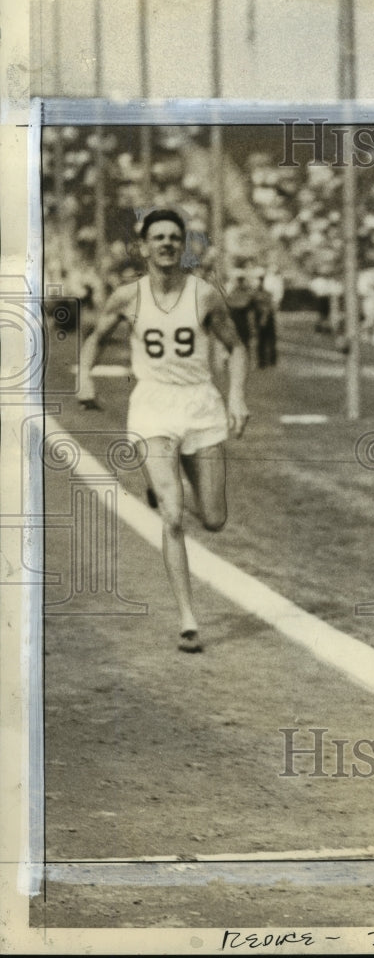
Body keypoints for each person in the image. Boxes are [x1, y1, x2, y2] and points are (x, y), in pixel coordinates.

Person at [78, 209, 250, 653]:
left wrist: (236, 397)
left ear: (185, 244)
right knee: (174, 516)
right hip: (153, 406)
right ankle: (188, 620)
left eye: (175, 237)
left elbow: (238, 347)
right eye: (159, 237)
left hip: (201, 405)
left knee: (213, 519)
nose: (168, 244)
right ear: (144, 246)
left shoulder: (205, 295)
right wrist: (85, 377)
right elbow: (95, 337)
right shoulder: (127, 296)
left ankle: (160, 492)